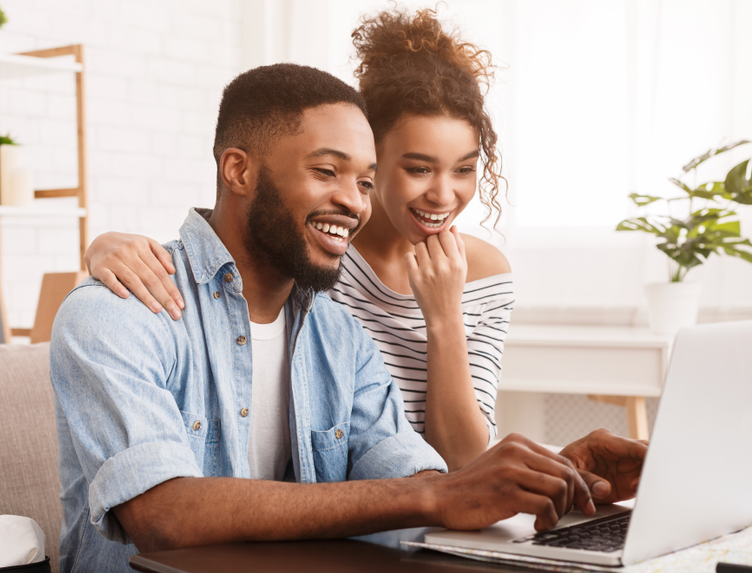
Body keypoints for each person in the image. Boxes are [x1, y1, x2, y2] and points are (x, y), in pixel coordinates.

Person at [51, 63, 645, 573]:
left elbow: (419, 482)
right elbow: (163, 514)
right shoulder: (117, 313)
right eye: (327, 171)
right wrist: (437, 497)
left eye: (364, 182)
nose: (353, 203)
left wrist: (546, 479)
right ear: (239, 170)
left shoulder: (339, 333)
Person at [84, 9, 512, 471]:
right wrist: (101, 246)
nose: (444, 194)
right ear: (378, 156)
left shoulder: (464, 282)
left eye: (465, 169)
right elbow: (235, 235)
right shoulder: (314, 255)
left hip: (402, 506)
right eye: (418, 168)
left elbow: (457, 466)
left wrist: (444, 315)